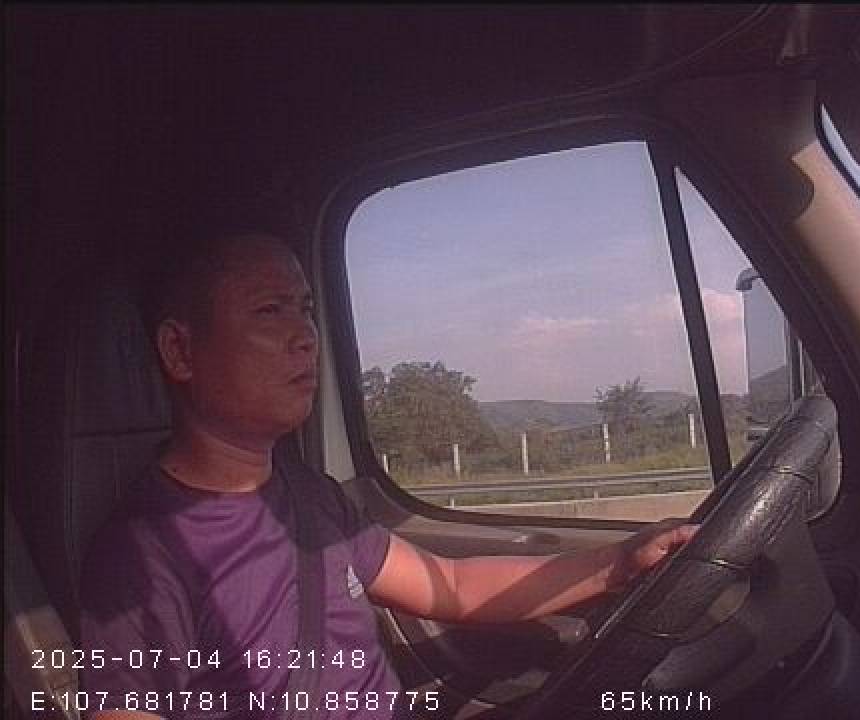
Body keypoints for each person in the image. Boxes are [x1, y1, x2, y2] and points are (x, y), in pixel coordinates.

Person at [79, 231, 697, 720]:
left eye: (306, 310)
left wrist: (618, 563)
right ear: (180, 351)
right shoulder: (141, 556)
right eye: (270, 311)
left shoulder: (310, 495)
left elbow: (451, 586)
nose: (305, 336)